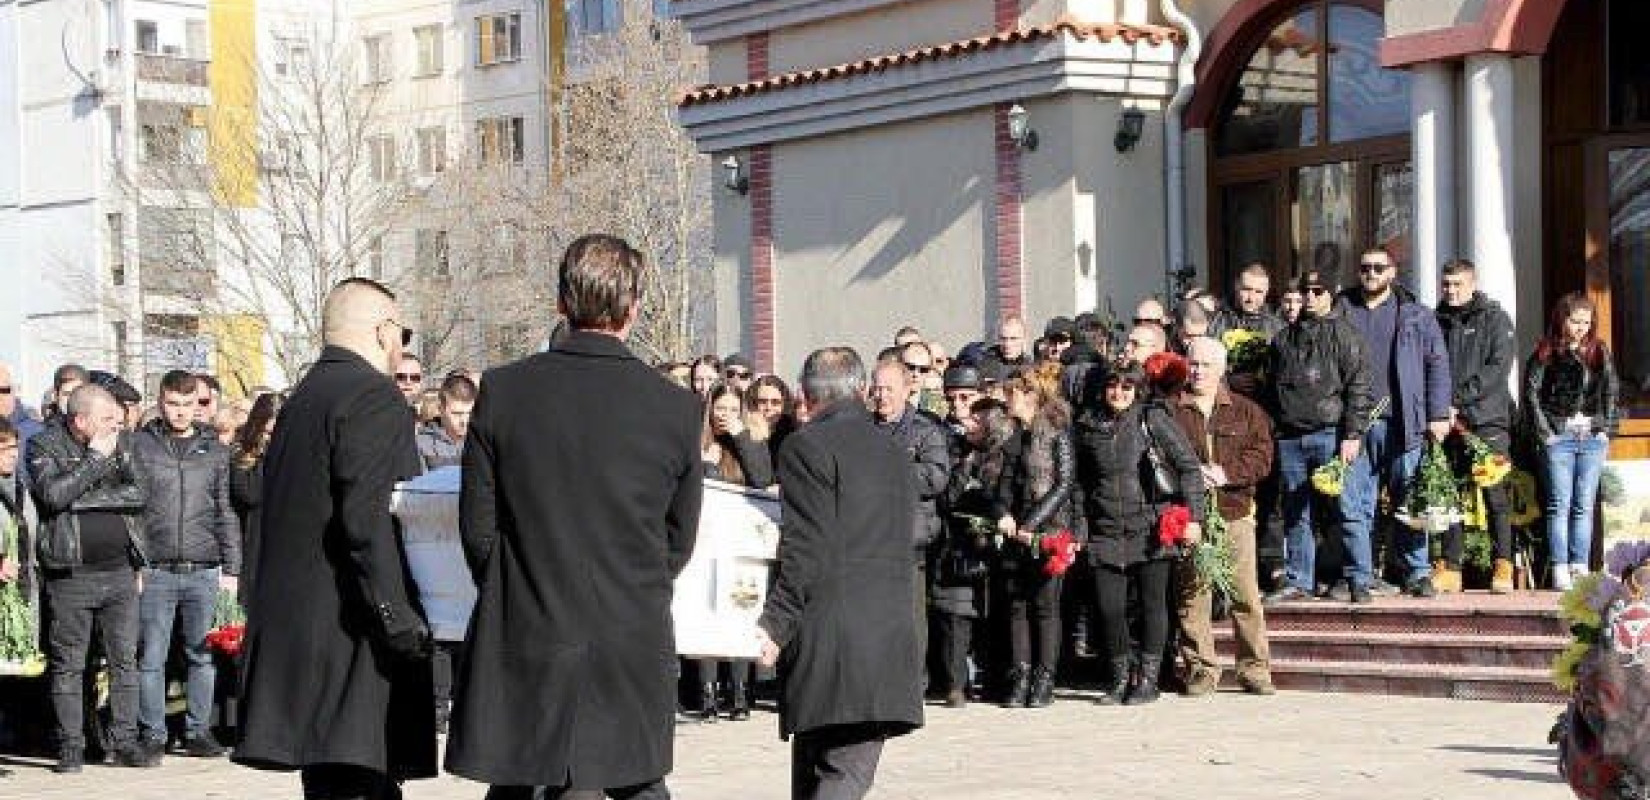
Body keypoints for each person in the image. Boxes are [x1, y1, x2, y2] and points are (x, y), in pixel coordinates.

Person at [448, 235, 703, 800]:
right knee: (631, 778)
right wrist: (634, 585)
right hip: (628, 623)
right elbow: (678, 537)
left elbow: (478, 527)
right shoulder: (675, 406)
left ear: (561, 302)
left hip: (529, 618)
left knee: (525, 778)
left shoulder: (506, 391)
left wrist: (517, 586)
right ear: (634, 308)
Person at [234, 278, 435, 800]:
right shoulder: (373, 397)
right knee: (359, 781)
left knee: (331, 782)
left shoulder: (304, 398)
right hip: (353, 629)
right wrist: (399, 617)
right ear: (384, 330)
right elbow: (368, 520)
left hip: (304, 627)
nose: (402, 346)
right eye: (403, 334)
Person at [755, 347, 923, 800]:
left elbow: (804, 545)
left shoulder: (805, 447)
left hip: (831, 638)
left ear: (804, 396)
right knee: (830, 774)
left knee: (831, 777)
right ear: (863, 390)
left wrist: (775, 623)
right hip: (885, 636)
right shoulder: (895, 451)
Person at [28, 384, 153, 773]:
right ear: (81, 420)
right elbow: (52, 495)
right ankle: (71, 745)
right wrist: (96, 460)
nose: (116, 426)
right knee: (69, 663)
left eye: (117, 419)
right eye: (107, 419)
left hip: (120, 571)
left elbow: (140, 493)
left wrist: (79, 499)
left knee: (124, 660)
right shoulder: (44, 445)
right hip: (71, 575)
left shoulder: (124, 442)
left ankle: (125, 741)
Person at [1074, 360, 1206, 706]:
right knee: (1110, 609)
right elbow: (1079, 484)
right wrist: (1080, 528)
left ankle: (1148, 679)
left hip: (1151, 525)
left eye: (1126, 387)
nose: (1118, 393)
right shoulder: (1088, 425)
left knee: (1152, 606)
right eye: (1112, 386)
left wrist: (1194, 518)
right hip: (1105, 529)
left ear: (1138, 389)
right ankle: (1119, 679)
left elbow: (1189, 467)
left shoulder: (1152, 418)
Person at [132, 370, 241, 760]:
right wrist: (136, 563)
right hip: (155, 568)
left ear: (198, 404)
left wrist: (232, 568)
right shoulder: (140, 446)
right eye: (172, 404)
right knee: (151, 657)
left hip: (204, 567)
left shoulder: (216, 452)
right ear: (160, 402)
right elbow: (132, 510)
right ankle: (153, 733)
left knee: (202, 655)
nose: (180, 412)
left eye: (187, 404)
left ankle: (198, 731)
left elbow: (225, 511)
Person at [1336, 247, 1453, 599]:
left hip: (1406, 421)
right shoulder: (1341, 311)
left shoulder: (1416, 314)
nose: (1370, 274)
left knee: (1410, 499)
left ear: (1392, 272)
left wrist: (1437, 413)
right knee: (1355, 504)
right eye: (1364, 268)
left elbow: (1437, 364)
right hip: (1355, 425)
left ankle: (1416, 572)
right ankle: (1360, 575)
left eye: (1378, 268)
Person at [1171, 338, 1275, 696]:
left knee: (1245, 594)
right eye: (1193, 364)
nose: (1197, 371)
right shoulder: (1171, 410)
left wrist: (1226, 473)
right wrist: (1188, 477)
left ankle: (1254, 669)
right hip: (1191, 517)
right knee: (1193, 595)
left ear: (1222, 369)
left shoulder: (1246, 412)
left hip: (1234, 512)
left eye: (1205, 365)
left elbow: (1262, 456)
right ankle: (1201, 670)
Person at [1268, 270, 1372, 604]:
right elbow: (1272, 386)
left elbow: (1359, 387)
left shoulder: (1346, 334)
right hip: (1291, 436)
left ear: (1331, 294)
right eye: (1305, 291)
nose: (1310, 297)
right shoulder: (1283, 338)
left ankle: (1359, 578)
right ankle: (1299, 579)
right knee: (1296, 512)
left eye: (1318, 290)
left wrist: (1353, 433)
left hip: (1332, 432)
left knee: (1348, 507)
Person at [1526, 291, 1620, 591]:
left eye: (1586, 322)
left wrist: (1606, 430)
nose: (1581, 328)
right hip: (1560, 437)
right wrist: (1547, 435)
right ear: (1562, 320)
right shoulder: (1546, 352)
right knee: (1559, 504)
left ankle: (1580, 565)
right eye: (1575, 321)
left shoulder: (1598, 351)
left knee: (1584, 504)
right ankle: (1560, 566)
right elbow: (1531, 394)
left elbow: (1611, 391)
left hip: (1592, 437)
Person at [995, 364, 1076, 709]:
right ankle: (1021, 675)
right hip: (1017, 532)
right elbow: (1003, 484)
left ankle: (1045, 678)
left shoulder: (1057, 433)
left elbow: (1064, 485)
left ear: (1029, 395)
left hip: (1048, 530)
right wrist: (1003, 514)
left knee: (1045, 606)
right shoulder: (1014, 436)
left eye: (1011, 393)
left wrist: (1032, 523)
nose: (1006, 400)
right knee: (1017, 606)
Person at [1435, 259, 1518, 594]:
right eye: (1446, 284)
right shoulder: (1435, 320)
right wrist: (1439, 407)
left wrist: (1456, 400)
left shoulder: (1495, 319)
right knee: (1449, 493)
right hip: (1447, 421)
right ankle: (1451, 566)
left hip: (1486, 419)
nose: (1451, 291)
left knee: (1494, 493)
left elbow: (1497, 368)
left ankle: (1503, 564)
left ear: (1473, 284)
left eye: (1458, 284)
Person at [693, 382, 773, 723]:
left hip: (741, 540)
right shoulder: (698, 442)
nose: (724, 415)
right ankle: (708, 694)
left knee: (741, 609)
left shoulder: (748, 440)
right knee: (707, 613)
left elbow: (762, 477)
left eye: (731, 409)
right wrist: (705, 463)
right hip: (705, 540)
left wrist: (740, 436)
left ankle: (740, 693)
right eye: (719, 408)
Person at [870, 356, 950, 679]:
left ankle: (913, 683)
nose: (881, 396)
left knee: (910, 620)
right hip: (869, 538)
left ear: (906, 390)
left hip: (907, 540)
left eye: (888, 389)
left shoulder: (926, 431)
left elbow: (936, 478)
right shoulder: (863, 429)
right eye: (877, 388)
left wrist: (891, 469)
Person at [935, 398, 1010, 708]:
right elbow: (948, 499)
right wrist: (965, 467)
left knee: (994, 617)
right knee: (957, 615)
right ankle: (956, 685)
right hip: (959, 545)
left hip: (997, 545)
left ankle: (994, 681)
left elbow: (1004, 497)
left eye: (976, 420)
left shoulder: (1006, 454)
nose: (967, 424)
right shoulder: (957, 452)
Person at [229, 392, 282, 609]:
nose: (273, 438)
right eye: (268, 433)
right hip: (252, 547)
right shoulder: (241, 456)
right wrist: (266, 456)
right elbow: (251, 493)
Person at [415, 373, 477, 471]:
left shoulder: (483, 442)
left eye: (469, 413)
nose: (464, 421)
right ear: (441, 409)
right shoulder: (421, 445)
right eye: (457, 413)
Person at [747, 374, 798, 462]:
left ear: (784, 405)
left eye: (775, 402)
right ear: (754, 404)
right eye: (762, 402)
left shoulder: (792, 437)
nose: (768, 407)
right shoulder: (743, 435)